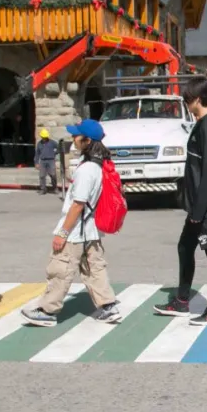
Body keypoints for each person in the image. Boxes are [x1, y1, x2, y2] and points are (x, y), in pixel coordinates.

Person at [21, 119, 120, 327]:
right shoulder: (99, 166)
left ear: (86, 140)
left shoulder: (86, 170)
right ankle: (108, 306)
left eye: (76, 135)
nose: (73, 139)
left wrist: (63, 233)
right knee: (94, 269)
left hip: (76, 231)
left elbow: (77, 205)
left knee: (60, 269)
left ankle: (47, 310)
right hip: (91, 231)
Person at [154, 77, 207, 326]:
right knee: (185, 247)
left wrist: (199, 211)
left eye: (188, 98)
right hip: (198, 205)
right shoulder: (204, 124)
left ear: (199, 99)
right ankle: (182, 301)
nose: (186, 103)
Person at [34, 129, 59, 196]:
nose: (44, 138)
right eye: (43, 137)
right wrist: (36, 162)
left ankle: (55, 188)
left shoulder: (52, 142)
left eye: (45, 137)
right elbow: (37, 154)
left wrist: (55, 153)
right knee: (42, 176)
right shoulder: (39, 144)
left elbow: (59, 147)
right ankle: (43, 189)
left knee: (53, 175)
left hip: (51, 160)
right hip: (43, 161)